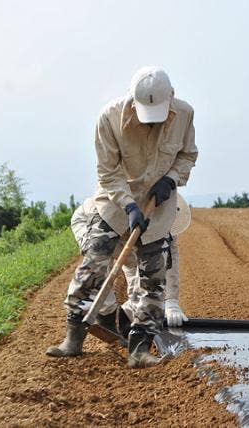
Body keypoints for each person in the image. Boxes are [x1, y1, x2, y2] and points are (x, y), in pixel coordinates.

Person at [46, 66, 198, 368]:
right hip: (115, 206)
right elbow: (107, 171)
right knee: (93, 267)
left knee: (152, 281)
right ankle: (73, 338)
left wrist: (171, 180)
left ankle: (139, 348)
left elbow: (188, 155)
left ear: (171, 98)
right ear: (132, 100)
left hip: (158, 207)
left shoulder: (184, 114)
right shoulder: (109, 118)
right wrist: (129, 206)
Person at [68, 194, 192, 333]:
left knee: (142, 280)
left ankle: (127, 321)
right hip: (98, 222)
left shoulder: (165, 224)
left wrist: (171, 301)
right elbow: (102, 256)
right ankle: (106, 318)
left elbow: (170, 260)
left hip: (135, 234)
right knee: (99, 267)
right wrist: (106, 307)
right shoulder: (125, 208)